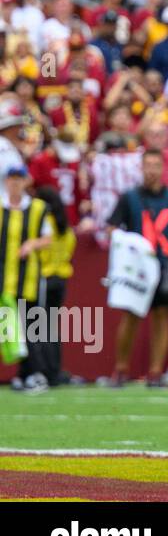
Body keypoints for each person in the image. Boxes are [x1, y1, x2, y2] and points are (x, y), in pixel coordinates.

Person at [106, 148, 168, 387]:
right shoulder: (129, 197)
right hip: (138, 268)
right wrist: (127, 246)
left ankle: (156, 372)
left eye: (155, 165)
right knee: (131, 316)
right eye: (147, 165)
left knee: (162, 316)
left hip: (166, 266)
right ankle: (120, 370)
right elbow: (112, 228)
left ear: (163, 168)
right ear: (141, 168)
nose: (151, 170)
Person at [3, 166, 53, 392]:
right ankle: (24, 374)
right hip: (4, 281)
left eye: (19, 179)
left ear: (26, 182)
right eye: (11, 179)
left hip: (29, 278)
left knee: (32, 326)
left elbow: (49, 237)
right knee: (11, 330)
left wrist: (32, 244)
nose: (14, 183)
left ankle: (37, 373)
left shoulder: (37, 208)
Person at [30, 185, 76, 386]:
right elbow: (71, 246)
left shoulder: (44, 223)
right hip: (61, 278)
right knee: (51, 326)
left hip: (44, 277)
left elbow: (41, 250)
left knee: (39, 327)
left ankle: (43, 370)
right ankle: (54, 369)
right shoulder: (64, 225)